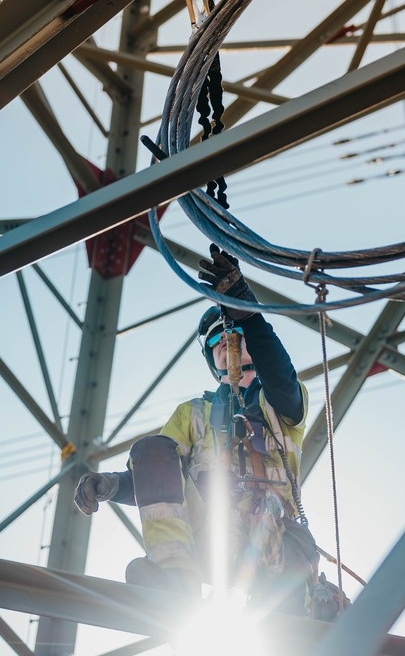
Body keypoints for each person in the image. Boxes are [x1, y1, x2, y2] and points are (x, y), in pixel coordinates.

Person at [74, 244, 321, 615]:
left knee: (284, 625)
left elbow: (282, 379)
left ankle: (285, 620)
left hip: (277, 543)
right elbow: (159, 478)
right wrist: (112, 485)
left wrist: (248, 314)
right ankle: (177, 585)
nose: (225, 341)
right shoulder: (193, 415)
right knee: (152, 450)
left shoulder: (278, 402)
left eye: (232, 333)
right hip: (215, 537)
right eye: (215, 341)